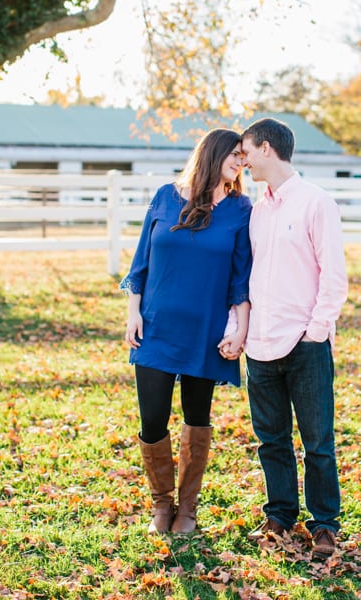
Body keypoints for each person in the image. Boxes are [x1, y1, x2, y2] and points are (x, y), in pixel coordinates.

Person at [120, 128, 251, 534]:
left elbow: (240, 277)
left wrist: (241, 329)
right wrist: (133, 311)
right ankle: (162, 504)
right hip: (157, 326)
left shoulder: (240, 209)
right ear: (212, 154)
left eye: (244, 157)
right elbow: (141, 260)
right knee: (153, 418)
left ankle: (187, 510)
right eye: (235, 154)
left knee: (197, 417)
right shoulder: (165, 197)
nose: (241, 162)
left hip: (206, 331)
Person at [238, 117, 348, 560]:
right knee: (271, 440)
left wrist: (314, 333)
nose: (242, 160)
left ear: (266, 148)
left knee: (318, 442)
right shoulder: (256, 209)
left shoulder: (316, 203)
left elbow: (334, 277)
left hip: (305, 343)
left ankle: (324, 524)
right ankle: (280, 515)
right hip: (260, 344)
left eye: (245, 150)